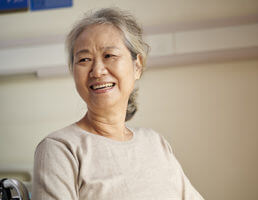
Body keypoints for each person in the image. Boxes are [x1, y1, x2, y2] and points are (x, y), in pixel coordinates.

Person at [32, 7, 205, 200]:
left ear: (137, 66)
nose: (97, 71)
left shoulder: (156, 143)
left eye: (109, 56)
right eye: (84, 59)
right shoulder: (61, 148)